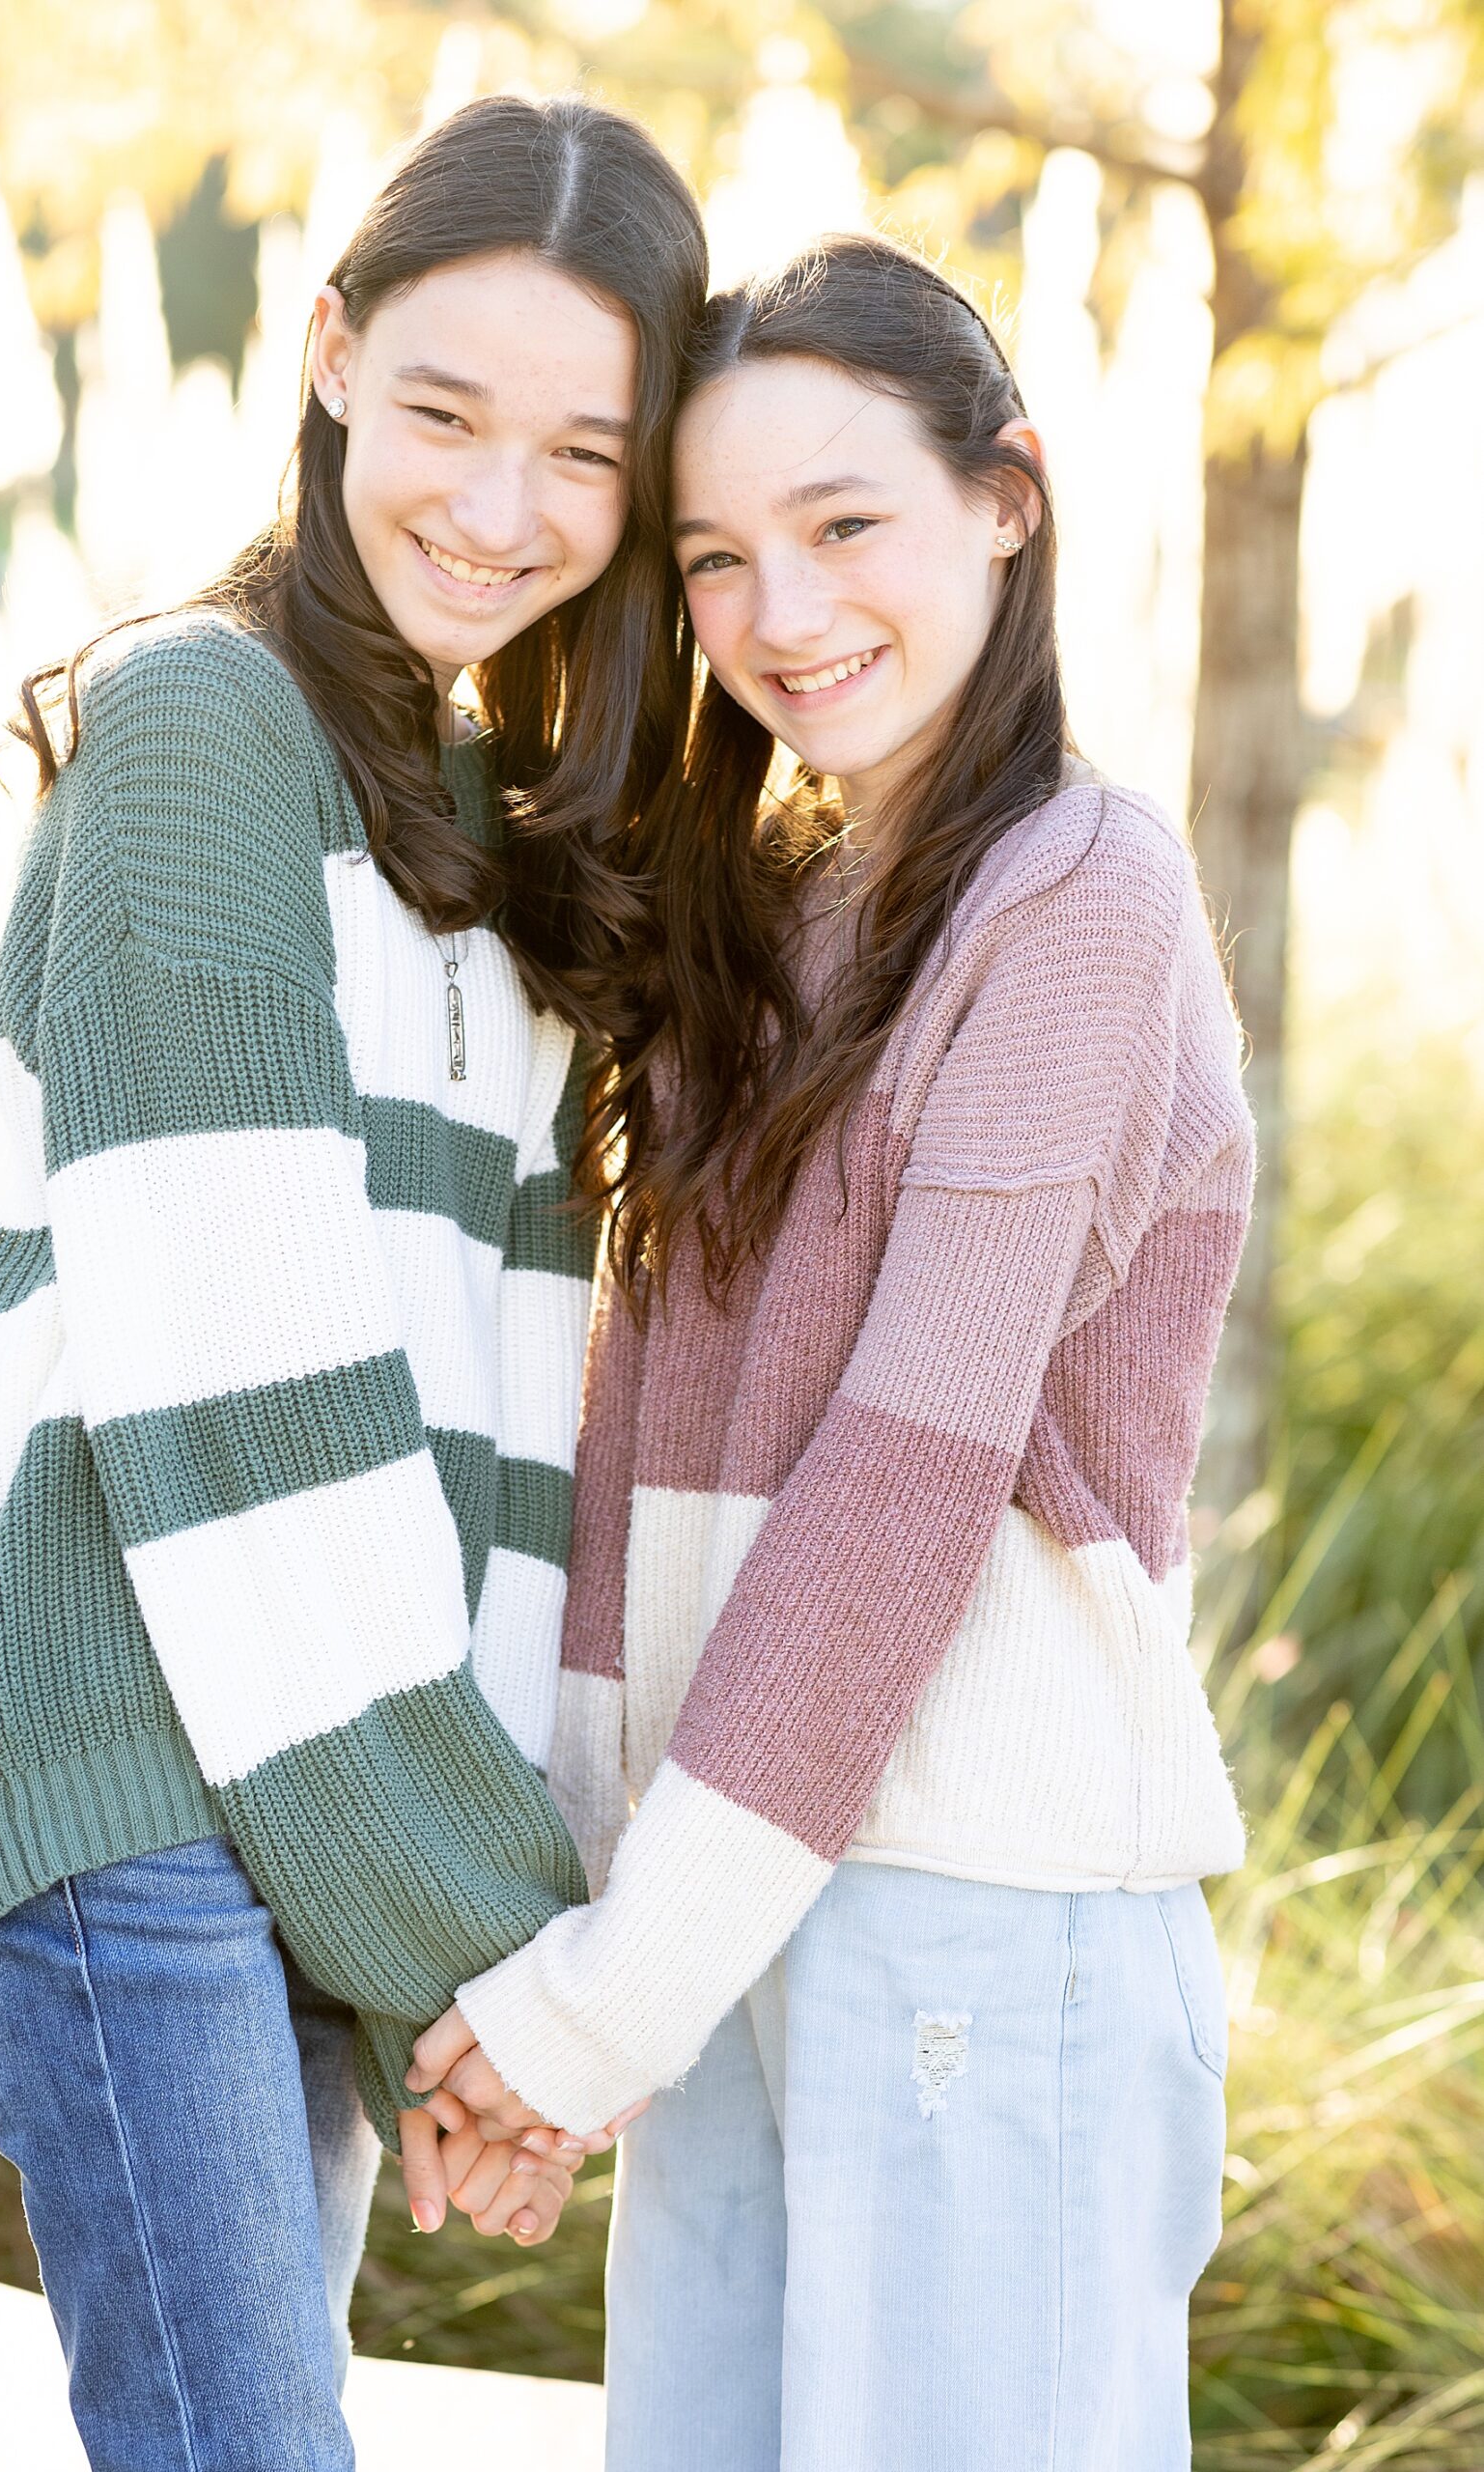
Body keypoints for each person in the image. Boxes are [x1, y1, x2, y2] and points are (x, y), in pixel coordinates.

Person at [0, 93, 706, 2472]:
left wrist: (473, 1915)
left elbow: (505, 1424)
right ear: (329, 353)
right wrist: (493, 1956)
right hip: (131, 1762)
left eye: (582, 451)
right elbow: (251, 1403)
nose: (494, 505)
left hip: (328, 1781)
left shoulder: (477, 825)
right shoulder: (198, 733)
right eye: (441, 411)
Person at [408, 233, 1254, 2471]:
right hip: (734, 1911)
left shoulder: (1079, 896)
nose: (782, 614)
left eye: (843, 523)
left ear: (1006, 498)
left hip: (973, 1923)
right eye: (713, 558)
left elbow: (896, 1484)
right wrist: (599, 1947)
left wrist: (604, 1995)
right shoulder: (761, 910)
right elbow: (631, 1456)